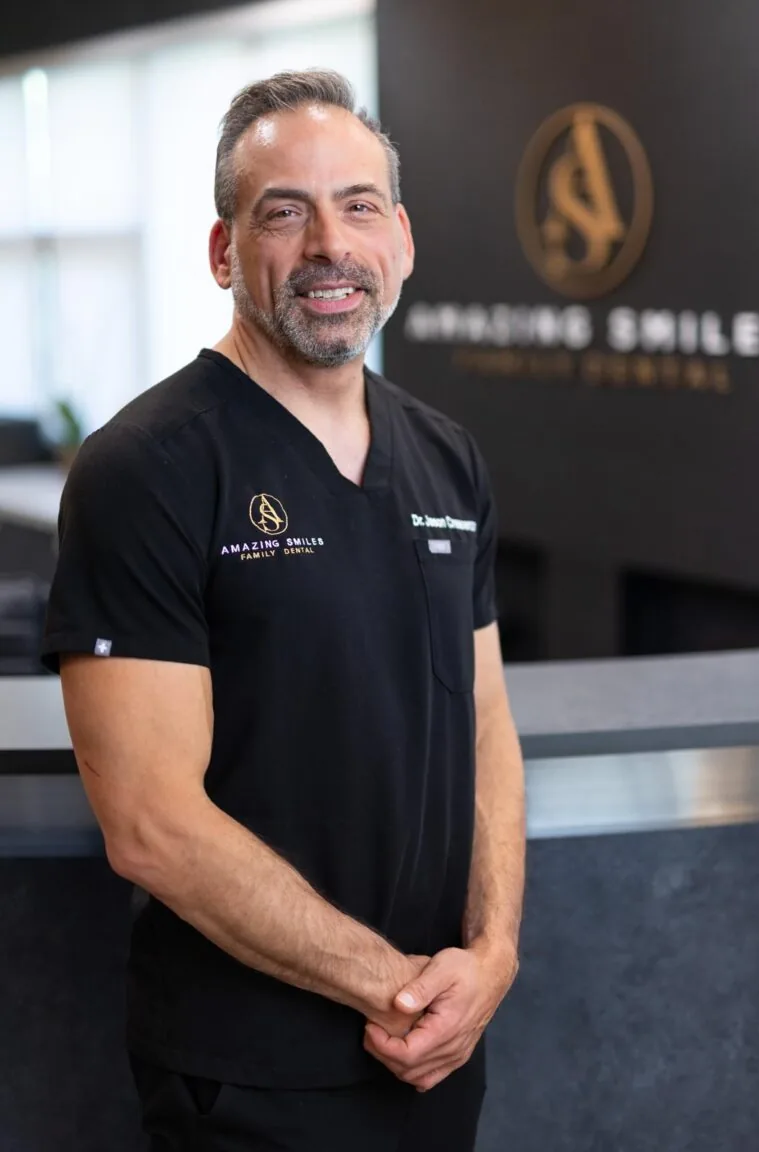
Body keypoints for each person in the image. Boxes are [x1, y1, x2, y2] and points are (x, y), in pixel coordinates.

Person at [41, 69, 526, 1151]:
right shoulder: (146, 469)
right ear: (224, 253)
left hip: (438, 1056)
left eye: (357, 206)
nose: (328, 246)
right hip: (247, 1077)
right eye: (284, 212)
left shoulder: (448, 459)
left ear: (398, 239)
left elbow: (486, 727)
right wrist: (391, 987)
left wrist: (492, 956)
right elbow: (152, 826)